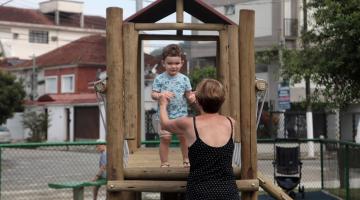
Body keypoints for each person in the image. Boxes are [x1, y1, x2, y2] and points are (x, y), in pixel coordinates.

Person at [159, 79, 240, 200]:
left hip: (199, 193)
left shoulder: (189, 124)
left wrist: (162, 105)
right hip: (228, 192)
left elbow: (164, 124)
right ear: (222, 100)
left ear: (198, 99)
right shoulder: (231, 122)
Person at [151, 44, 196, 168]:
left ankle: (186, 159)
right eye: (170, 63)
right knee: (165, 138)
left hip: (181, 114)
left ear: (182, 63)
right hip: (165, 114)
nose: (173, 66)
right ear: (163, 63)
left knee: (184, 138)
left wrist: (192, 97)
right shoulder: (159, 79)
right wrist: (160, 95)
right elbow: (153, 94)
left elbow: (188, 95)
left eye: (176, 63)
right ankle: (164, 162)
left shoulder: (184, 79)